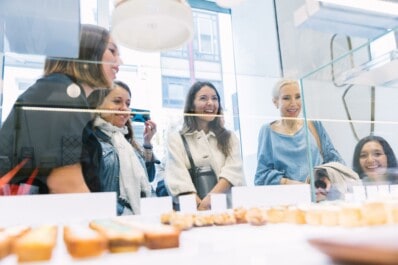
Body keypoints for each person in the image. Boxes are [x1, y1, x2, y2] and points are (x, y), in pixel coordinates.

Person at [0, 24, 122, 194]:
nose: (119, 61)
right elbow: (65, 183)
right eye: (112, 51)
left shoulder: (58, 91)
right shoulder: (63, 93)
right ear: (86, 52)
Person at [164, 81, 246, 210]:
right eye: (203, 98)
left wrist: (207, 203)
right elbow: (178, 178)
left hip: (228, 210)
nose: (210, 103)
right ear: (191, 105)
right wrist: (199, 207)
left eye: (215, 99)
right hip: (191, 211)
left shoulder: (230, 137)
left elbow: (233, 173)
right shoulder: (176, 139)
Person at [81, 80, 157, 215]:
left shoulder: (126, 142)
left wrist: (147, 143)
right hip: (111, 219)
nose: (125, 108)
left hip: (139, 217)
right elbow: (90, 194)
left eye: (128, 104)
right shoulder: (90, 141)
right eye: (117, 101)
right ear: (98, 105)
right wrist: (124, 212)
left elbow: (149, 177)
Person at [254, 79, 344, 186]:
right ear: (275, 102)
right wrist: (291, 183)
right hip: (288, 197)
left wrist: (323, 177)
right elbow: (261, 176)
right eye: (286, 98)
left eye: (297, 97)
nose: (293, 103)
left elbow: (335, 161)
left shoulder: (314, 125)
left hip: (319, 194)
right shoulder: (267, 131)